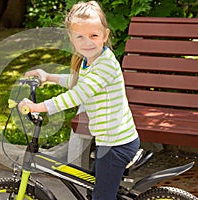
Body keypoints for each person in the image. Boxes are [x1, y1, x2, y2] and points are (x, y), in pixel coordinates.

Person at [18, 1, 140, 199]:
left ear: (105, 35)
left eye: (94, 35)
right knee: (95, 188)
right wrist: (49, 76)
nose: (87, 42)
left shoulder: (105, 65)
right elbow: (78, 82)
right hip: (106, 141)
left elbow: (78, 95)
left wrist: (38, 107)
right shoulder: (89, 61)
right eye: (80, 37)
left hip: (117, 145)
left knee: (100, 197)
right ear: (71, 38)